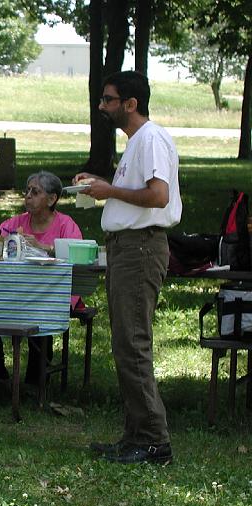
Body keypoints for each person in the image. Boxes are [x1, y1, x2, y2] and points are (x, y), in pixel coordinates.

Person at [75, 71, 181, 465]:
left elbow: (158, 196)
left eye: (108, 100)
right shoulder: (137, 143)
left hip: (140, 248)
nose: (102, 106)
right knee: (124, 343)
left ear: (130, 104)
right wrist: (101, 185)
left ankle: (155, 440)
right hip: (127, 248)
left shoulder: (150, 139)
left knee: (133, 344)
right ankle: (136, 435)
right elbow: (136, 194)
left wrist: (110, 191)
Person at [0, 171, 83, 383]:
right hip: (14, 292)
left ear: (52, 199)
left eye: (36, 192)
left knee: (41, 316)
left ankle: (37, 379)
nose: (28, 196)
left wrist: (42, 247)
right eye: (27, 191)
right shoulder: (17, 223)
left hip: (53, 294)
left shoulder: (65, 224)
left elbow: (77, 255)